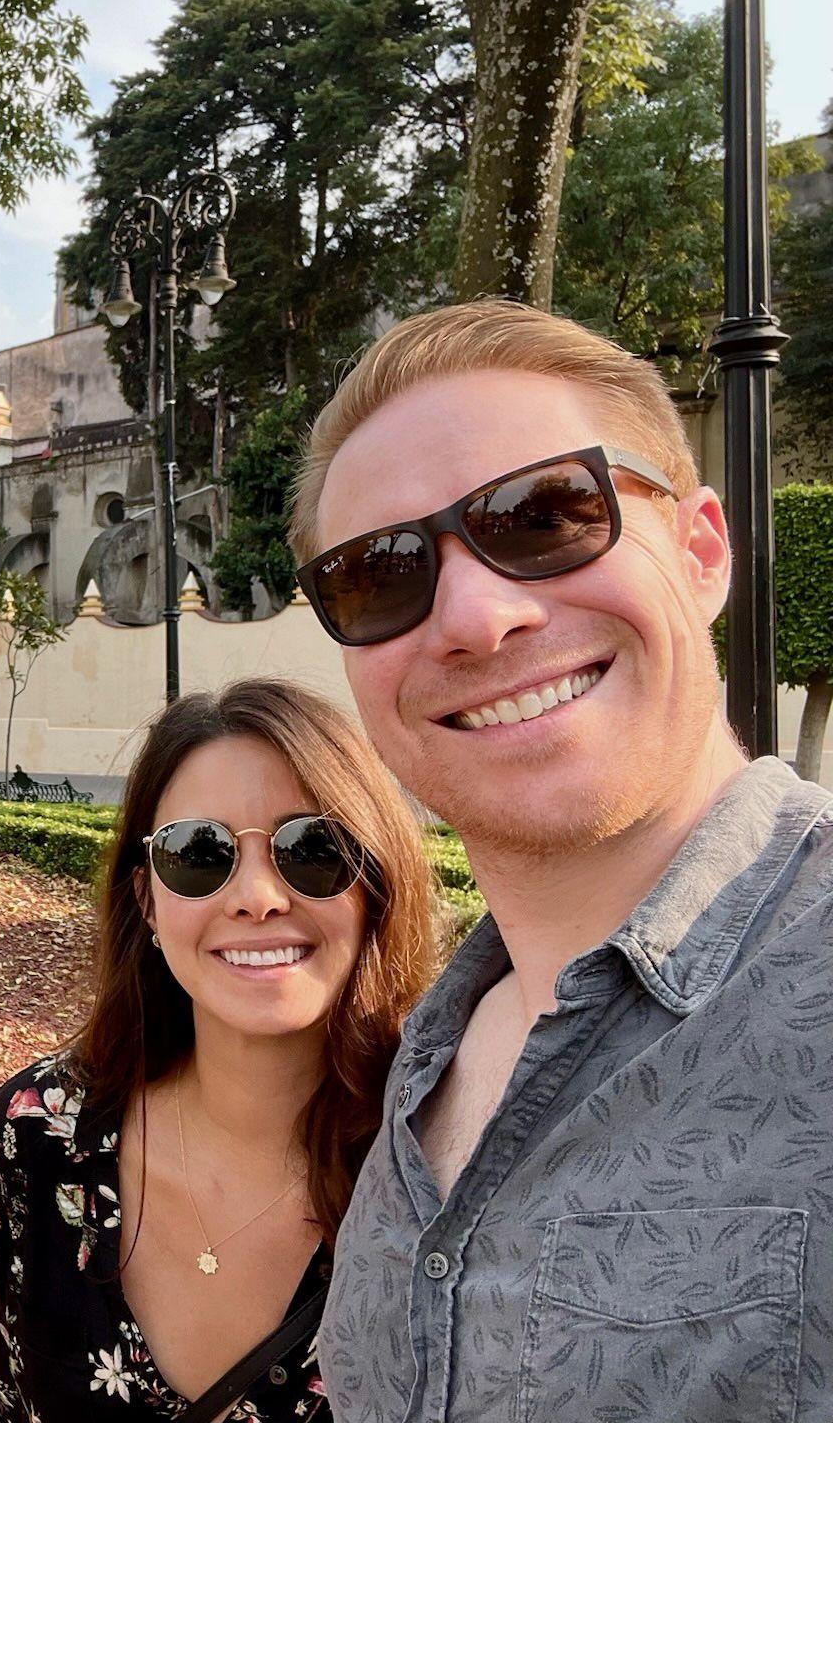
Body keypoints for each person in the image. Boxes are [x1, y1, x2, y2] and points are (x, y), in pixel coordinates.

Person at [295, 297, 833, 1422]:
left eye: (545, 513)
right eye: (377, 574)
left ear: (699, 552)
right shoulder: (418, 1059)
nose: (474, 617)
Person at [0, 678, 438, 1420]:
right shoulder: (37, 1137)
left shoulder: (447, 1165)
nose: (257, 897)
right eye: (199, 853)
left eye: (313, 848)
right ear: (147, 902)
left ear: (374, 885)